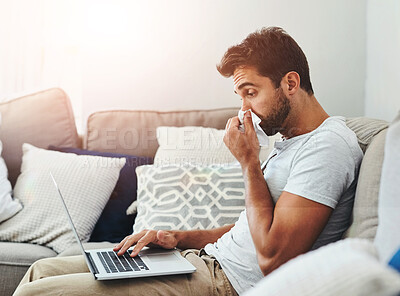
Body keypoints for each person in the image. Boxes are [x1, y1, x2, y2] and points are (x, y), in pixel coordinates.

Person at [14, 27, 363, 296]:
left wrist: (249, 163)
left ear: (290, 83)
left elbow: (273, 257)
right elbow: (252, 231)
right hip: (202, 261)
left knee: (35, 293)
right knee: (41, 271)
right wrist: (178, 237)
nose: (243, 110)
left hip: (225, 283)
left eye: (251, 93)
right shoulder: (291, 142)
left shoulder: (327, 147)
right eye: (239, 96)